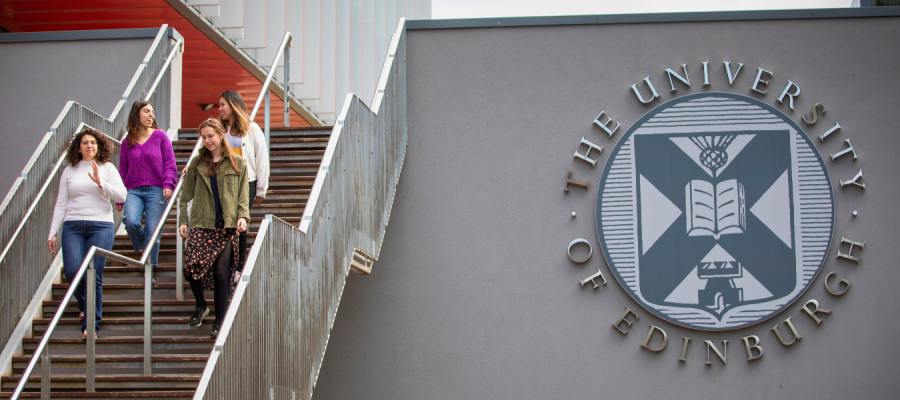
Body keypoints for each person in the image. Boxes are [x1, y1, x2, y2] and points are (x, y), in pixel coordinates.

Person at [47, 127, 127, 338]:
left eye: (93, 142)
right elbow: (61, 203)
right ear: (79, 147)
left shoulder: (107, 167)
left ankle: (91, 326)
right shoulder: (69, 170)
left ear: (98, 146)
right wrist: (53, 232)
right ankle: (85, 305)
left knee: (93, 274)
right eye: (85, 142)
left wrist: (100, 181)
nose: (90, 145)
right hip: (72, 226)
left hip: (100, 226)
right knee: (73, 272)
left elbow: (122, 195)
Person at [179, 118, 250, 338]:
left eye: (211, 135)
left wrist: (243, 217)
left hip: (226, 227)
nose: (207, 140)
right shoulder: (197, 164)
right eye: (204, 137)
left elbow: (242, 196)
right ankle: (201, 305)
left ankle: (219, 321)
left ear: (221, 135)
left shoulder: (238, 163)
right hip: (202, 223)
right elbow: (186, 195)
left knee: (221, 273)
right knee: (191, 268)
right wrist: (183, 220)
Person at [117, 101, 177, 274]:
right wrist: (120, 196)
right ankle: (144, 248)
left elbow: (169, 164)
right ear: (136, 114)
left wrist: (168, 183)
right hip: (133, 190)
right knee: (130, 221)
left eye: (152, 111)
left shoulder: (160, 136)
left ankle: (150, 269)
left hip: (156, 190)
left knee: (153, 232)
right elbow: (122, 170)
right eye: (146, 111)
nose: (151, 115)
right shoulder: (127, 142)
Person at [218, 90, 269, 271]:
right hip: (223, 183)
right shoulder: (219, 129)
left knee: (241, 222)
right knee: (225, 221)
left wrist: (261, 189)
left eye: (223, 104)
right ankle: (224, 263)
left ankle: (239, 267)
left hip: (247, 182)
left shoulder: (251, 128)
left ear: (233, 105)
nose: (220, 108)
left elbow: (261, 158)